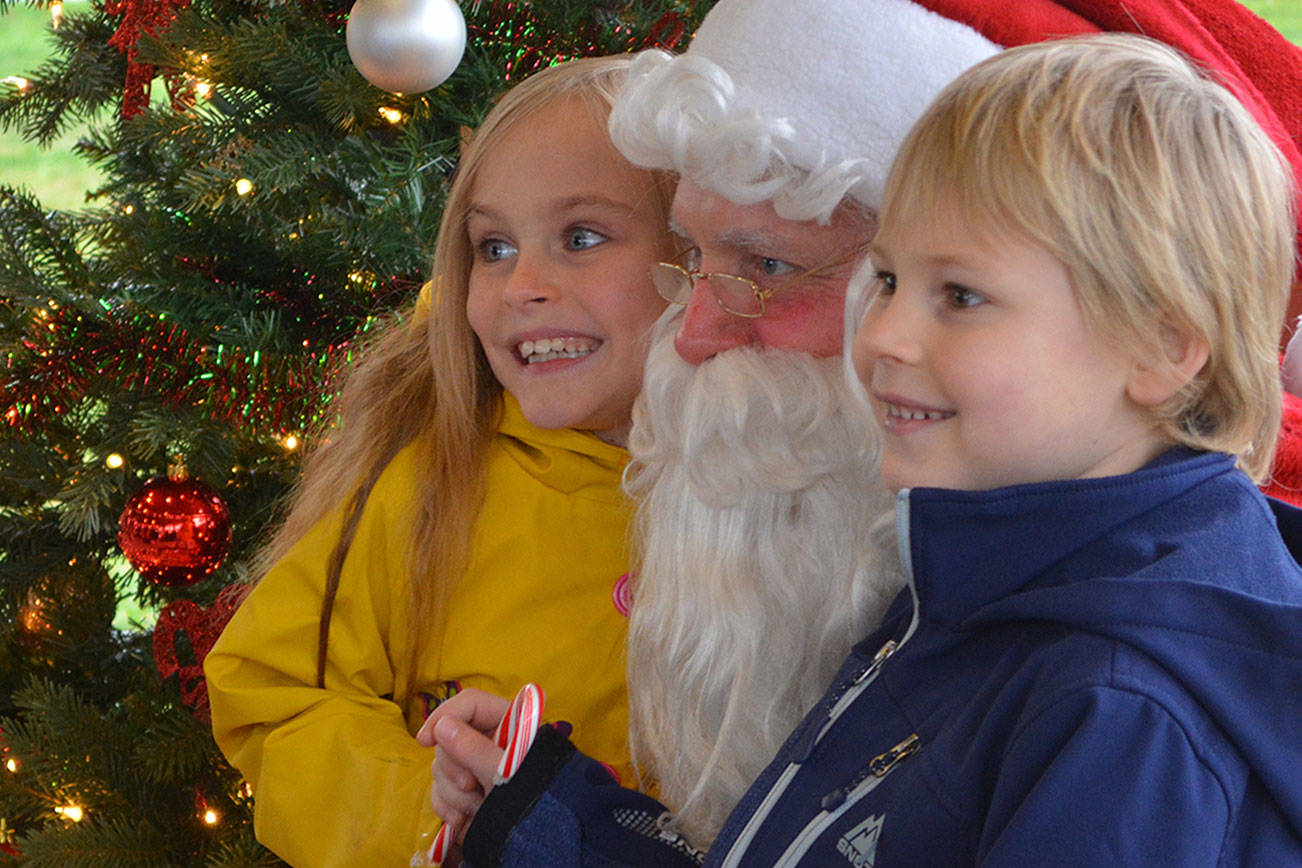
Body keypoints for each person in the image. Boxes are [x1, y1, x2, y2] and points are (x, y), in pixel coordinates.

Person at [425, 0, 1302, 854]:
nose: (882, 336)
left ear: (1160, 344)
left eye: (958, 296)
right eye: (883, 279)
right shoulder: (963, 569)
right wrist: (559, 819)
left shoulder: (1119, 718)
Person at [201, 55, 677, 867]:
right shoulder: (429, 483)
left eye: (582, 237)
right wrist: (431, 809)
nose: (522, 284)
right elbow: (269, 693)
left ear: (695, 249)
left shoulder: (795, 492)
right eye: (493, 246)